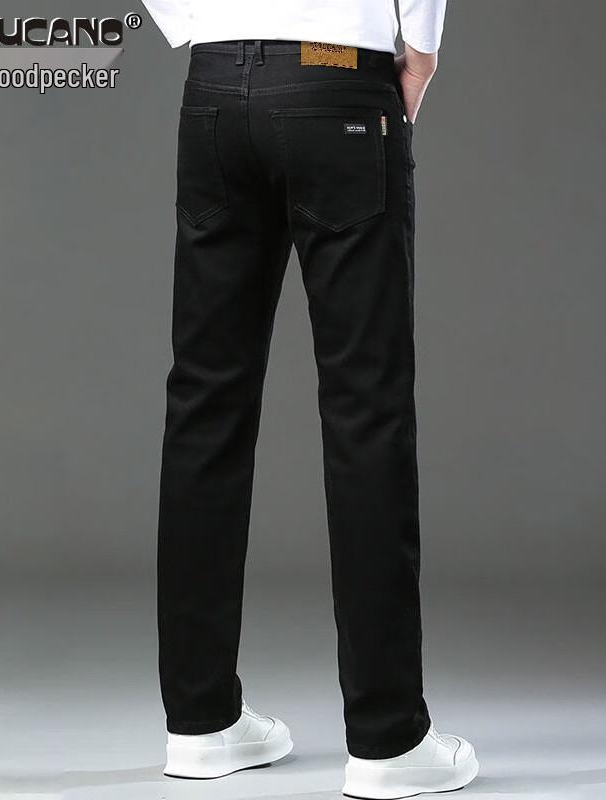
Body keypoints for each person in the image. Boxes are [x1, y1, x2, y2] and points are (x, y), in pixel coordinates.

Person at [141, 1, 478, 796]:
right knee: (366, 405)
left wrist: (192, 22)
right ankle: (389, 740)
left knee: (205, 402)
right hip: (339, 81)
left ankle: (200, 722)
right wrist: (422, 48)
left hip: (215, 88)